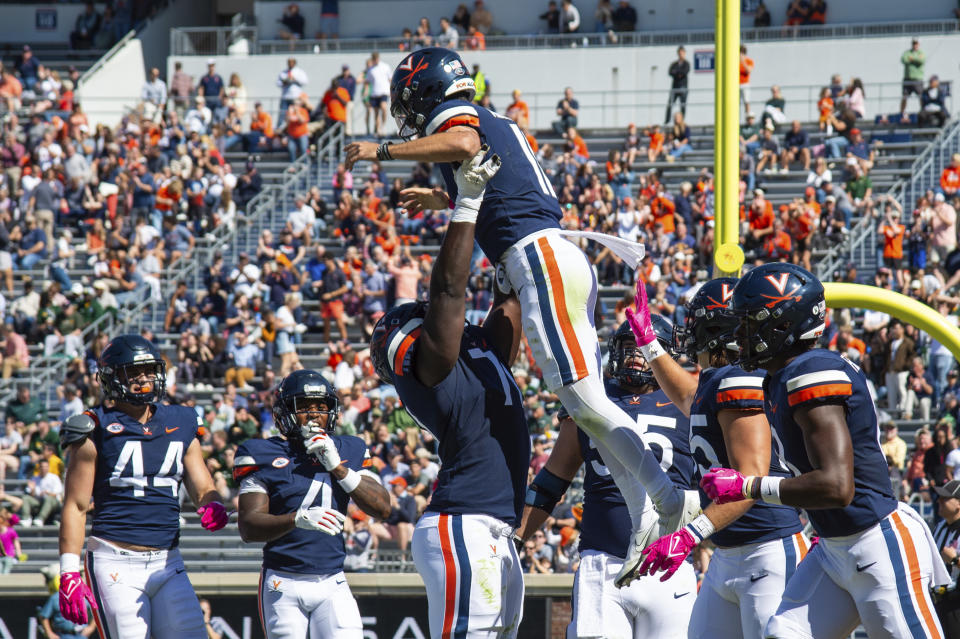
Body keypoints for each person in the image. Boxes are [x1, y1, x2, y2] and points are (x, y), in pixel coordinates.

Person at [346, 47, 699, 587]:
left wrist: (384, 150)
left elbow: (463, 142)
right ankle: (649, 508)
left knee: (586, 403)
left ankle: (669, 496)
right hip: (553, 255)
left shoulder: (460, 118)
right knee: (586, 407)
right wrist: (444, 198)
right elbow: (501, 183)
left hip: (537, 260)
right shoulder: (499, 121)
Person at [700, 263, 949, 638]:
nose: (739, 334)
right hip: (833, 548)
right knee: (782, 633)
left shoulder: (811, 371)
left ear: (781, 326)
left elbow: (836, 486)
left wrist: (749, 487)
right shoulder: (781, 377)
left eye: (749, 322)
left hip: (876, 541)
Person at [368, 148, 529, 638]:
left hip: (492, 528)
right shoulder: (431, 371)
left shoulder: (477, 356)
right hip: (464, 525)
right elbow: (448, 293)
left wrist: (508, 243)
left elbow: (507, 305)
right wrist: (466, 205)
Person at [626, 278, 806, 638]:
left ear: (713, 326)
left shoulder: (737, 379)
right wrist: (649, 346)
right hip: (727, 552)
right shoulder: (716, 381)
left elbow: (749, 478)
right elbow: (690, 398)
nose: (687, 328)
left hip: (766, 547)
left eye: (695, 320)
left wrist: (690, 535)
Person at [517, 316, 697, 637]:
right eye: (628, 347)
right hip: (603, 562)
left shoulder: (688, 401)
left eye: (642, 348)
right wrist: (516, 538)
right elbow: (551, 482)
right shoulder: (593, 398)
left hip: (670, 561)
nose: (634, 355)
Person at [57, 334, 229, 637]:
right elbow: (76, 505)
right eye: (132, 372)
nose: (143, 379)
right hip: (115, 561)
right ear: (110, 378)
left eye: (148, 371)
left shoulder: (182, 420)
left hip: (168, 560)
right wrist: (68, 570)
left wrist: (211, 502)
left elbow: (201, 485)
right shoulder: (94, 427)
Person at [235, 369, 391, 639]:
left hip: (333, 579)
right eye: (305, 406)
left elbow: (382, 508)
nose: (315, 414)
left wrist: (339, 468)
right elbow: (249, 527)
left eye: (322, 406)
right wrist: (296, 519)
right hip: (282, 581)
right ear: (285, 412)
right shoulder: (262, 453)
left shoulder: (349, 449)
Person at [932, 479, 960, 634]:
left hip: (956, 605)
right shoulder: (940, 527)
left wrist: (955, 560)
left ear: (959, 504)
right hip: (938, 601)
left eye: (945, 498)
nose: (939, 501)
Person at [899, 38, 926, 122]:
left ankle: (923, 112)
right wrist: (915, 59)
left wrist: (912, 59)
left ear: (919, 44)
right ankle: (902, 113)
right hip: (908, 79)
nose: (915, 45)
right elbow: (904, 59)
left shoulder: (921, 53)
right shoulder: (907, 53)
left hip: (917, 79)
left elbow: (921, 60)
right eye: (914, 43)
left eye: (916, 43)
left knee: (921, 96)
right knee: (904, 97)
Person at [665, 46, 689, 124]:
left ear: (684, 53)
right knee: (670, 104)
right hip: (674, 87)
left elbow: (684, 72)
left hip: (683, 87)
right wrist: (678, 73)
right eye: (679, 53)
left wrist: (677, 72)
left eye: (682, 53)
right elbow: (670, 72)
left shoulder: (686, 64)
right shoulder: (674, 64)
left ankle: (682, 120)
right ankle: (667, 120)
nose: (680, 55)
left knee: (682, 105)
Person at [740, 45, 755, 118]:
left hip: (745, 84)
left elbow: (749, 70)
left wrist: (743, 61)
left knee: (747, 101)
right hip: (736, 84)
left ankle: (747, 116)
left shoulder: (749, 61)